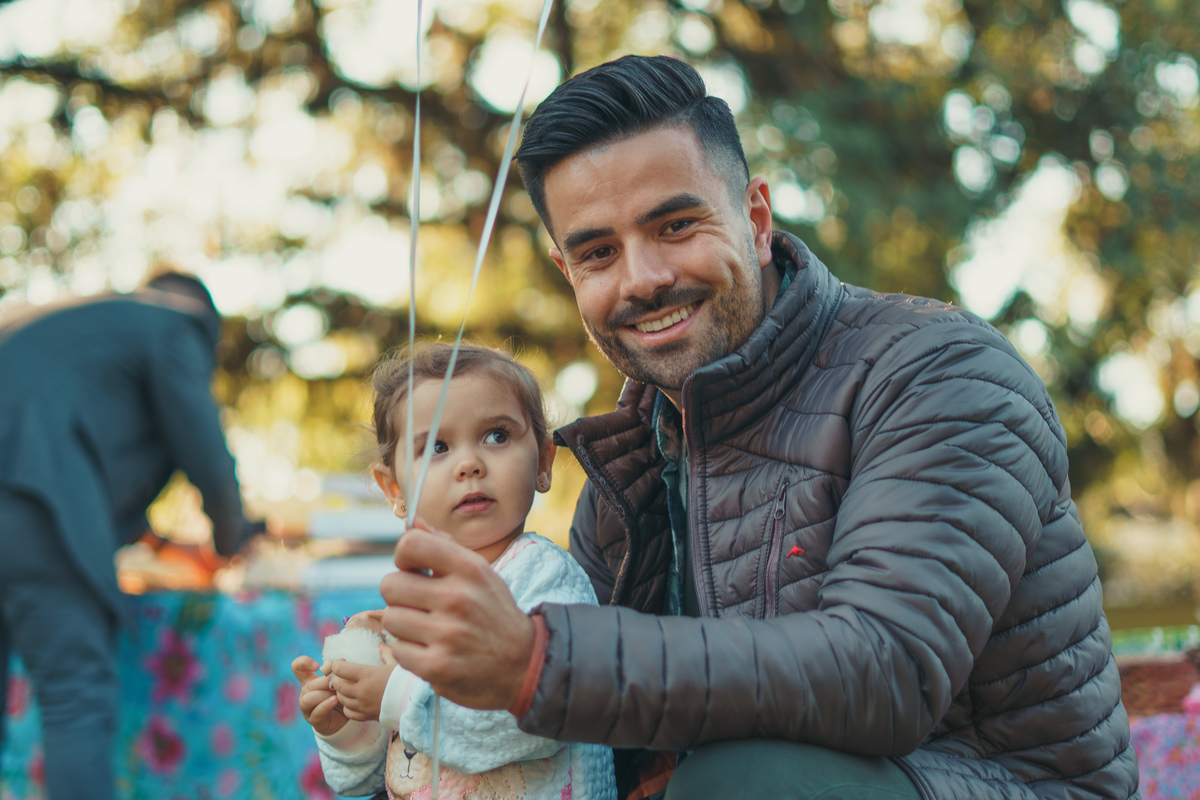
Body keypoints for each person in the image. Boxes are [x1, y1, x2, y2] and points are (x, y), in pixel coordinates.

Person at [378, 55, 1140, 800]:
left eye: (675, 224)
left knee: (739, 780)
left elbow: (887, 672)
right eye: (599, 252)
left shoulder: (938, 372)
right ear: (567, 273)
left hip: (997, 781)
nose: (642, 278)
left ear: (756, 217)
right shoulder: (627, 463)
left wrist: (538, 659)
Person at [292, 343, 616, 799]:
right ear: (394, 489)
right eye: (438, 446)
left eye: (497, 436)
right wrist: (347, 729)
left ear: (543, 462)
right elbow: (378, 772)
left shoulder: (545, 580)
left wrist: (397, 697)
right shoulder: (414, 605)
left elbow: (540, 716)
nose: (470, 464)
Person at [0, 272, 261, 800]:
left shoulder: (71, 324)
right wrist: (235, 537)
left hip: (23, 499)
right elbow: (204, 449)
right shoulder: (173, 324)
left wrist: (167, 546)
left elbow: (65, 440)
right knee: (76, 698)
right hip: (32, 508)